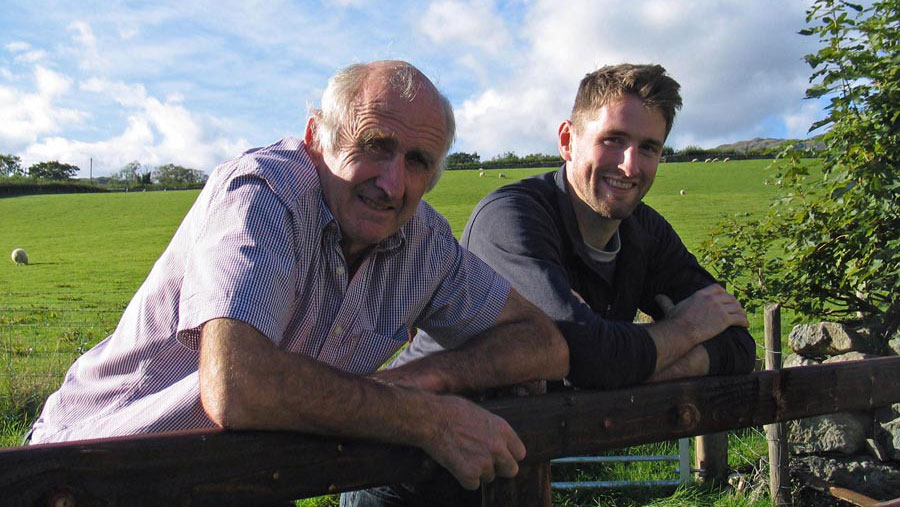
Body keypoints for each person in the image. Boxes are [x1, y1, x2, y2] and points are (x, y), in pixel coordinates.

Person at [28, 60, 570, 493]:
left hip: (221, 482)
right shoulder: (265, 193)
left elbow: (541, 341)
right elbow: (239, 387)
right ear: (316, 137)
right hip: (82, 475)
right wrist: (429, 420)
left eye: (418, 161)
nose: (392, 183)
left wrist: (432, 377)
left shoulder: (421, 241)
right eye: (376, 145)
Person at [344, 63, 755, 506]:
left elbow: (737, 345)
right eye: (612, 140)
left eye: (649, 147)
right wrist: (685, 331)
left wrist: (613, 364)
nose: (630, 165)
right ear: (567, 141)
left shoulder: (645, 234)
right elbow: (584, 354)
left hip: (512, 469)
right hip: (410, 474)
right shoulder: (512, 217)